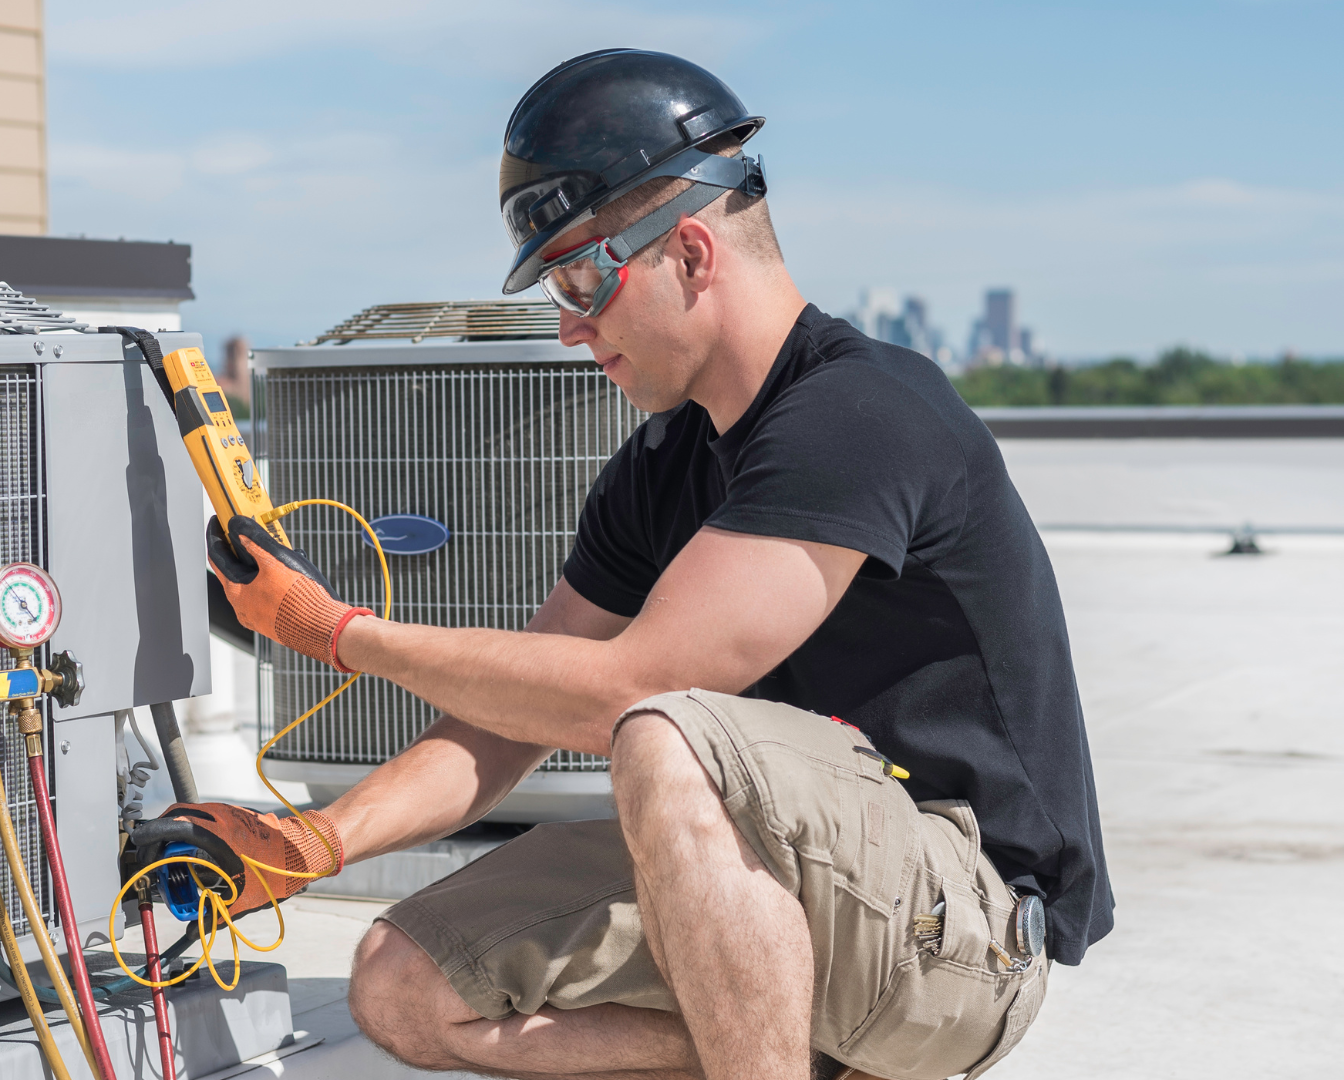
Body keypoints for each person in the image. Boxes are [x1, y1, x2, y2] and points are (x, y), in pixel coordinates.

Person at [174, 49, 1111, 1080]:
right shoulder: (665, 462)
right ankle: (791, 1047)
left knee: (664, 733)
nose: (573, 330)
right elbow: (509, 716)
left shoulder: (861, 416)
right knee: (403, 982)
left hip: (963, 931)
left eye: (582, 278)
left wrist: (339, 633)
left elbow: (634, 688)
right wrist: (320, 839)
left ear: (693, 254)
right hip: (804, 887)